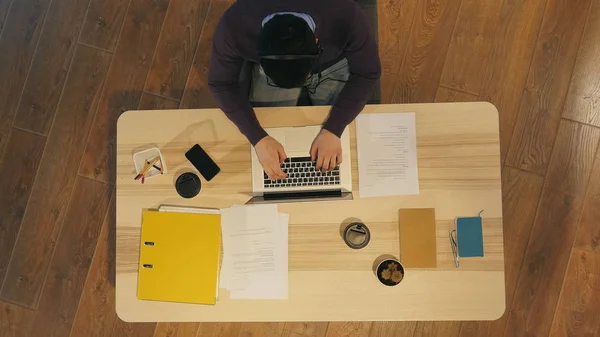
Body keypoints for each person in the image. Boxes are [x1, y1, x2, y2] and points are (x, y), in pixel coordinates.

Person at [208, 0, 381, 180]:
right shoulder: (234, 24)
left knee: (347, 139)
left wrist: (334, 129)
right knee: (268, 136)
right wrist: (258, 138)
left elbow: (368, 73)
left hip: (331, 65)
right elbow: (220, 83)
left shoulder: (345, 13)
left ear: (316, 41)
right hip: (274, 70)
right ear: (258, 49)